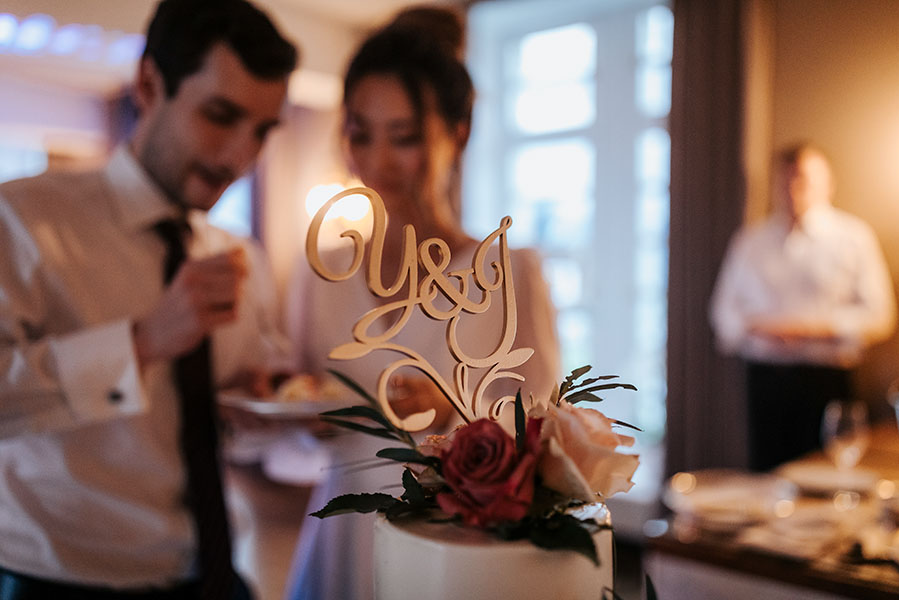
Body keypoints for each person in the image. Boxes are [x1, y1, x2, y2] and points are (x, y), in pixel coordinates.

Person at [0, 1, 297, 598]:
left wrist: (263, 400)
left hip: (213, 572)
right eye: (220, 115)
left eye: (262, 130)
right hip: (59, 578)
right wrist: (141, 343)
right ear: (148, 84)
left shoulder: (242, 258)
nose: (242, 156)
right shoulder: (22, 220)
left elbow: (238, 412)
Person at [283, 9, 560, 600]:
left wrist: (453, 417)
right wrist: (302, 417)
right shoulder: (321, 272)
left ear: (457, 132)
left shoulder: (509, 274)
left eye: (404, 137)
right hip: (338, 534)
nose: (377, 161)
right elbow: (289, 433)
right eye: (360, 133)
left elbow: (545, 443)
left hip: (453, 545)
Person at [710, 142, 896, 472]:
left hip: (826, 381)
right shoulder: (752, 240)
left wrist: (816, 329)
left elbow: (881, 315)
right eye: (785, 180)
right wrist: (760, 328)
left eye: (803, 180)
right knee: (767, 476)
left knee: (828, 474)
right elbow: (723, 313)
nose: (793, 189)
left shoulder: (852, 237)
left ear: (827, 183)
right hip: (766, 381)